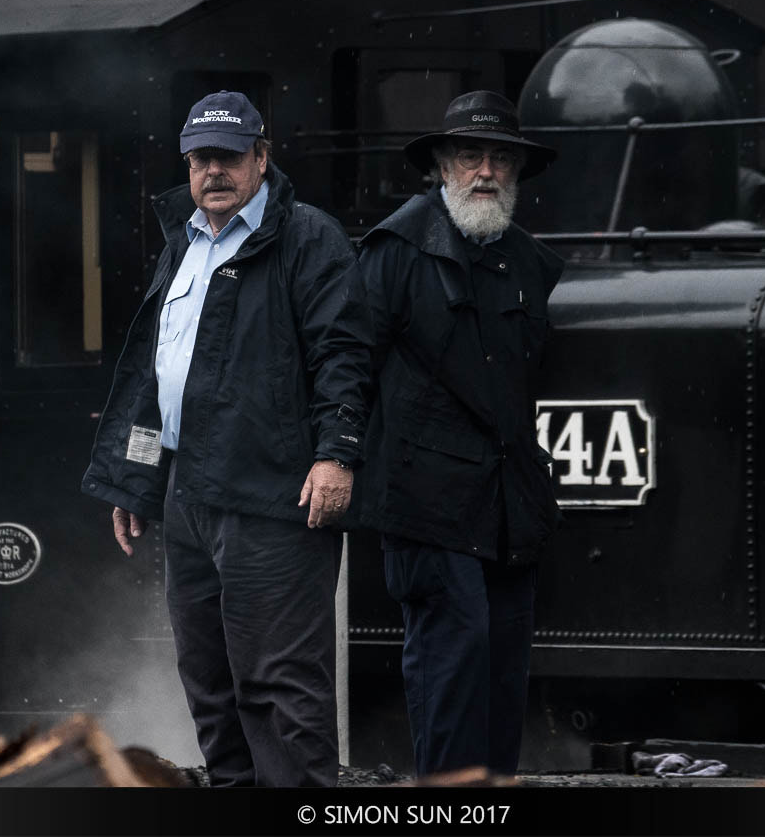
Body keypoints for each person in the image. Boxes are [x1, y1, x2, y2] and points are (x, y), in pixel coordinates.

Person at [82, 91, 368, 787]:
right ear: (187, 165)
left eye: (230, 157)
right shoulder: (182, 241)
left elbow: (345, 355)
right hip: (188, 495)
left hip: (274, 495)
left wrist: (336, 454)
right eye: (201, 159)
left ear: (261, 159)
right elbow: (157, 374)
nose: (215, 171)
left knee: (280, 687)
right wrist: (136, 478)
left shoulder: (308, 237)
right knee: (209, 683)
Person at [354, 90, 564, 777]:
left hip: (508, 501)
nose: (485, 171)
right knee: (455, 654)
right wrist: (335, 457)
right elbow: (346, 363)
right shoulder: (393, 251)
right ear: (442, 166)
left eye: (500, 158)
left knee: (504, 667)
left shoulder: (532, 263)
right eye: (471, 155)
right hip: (426, 495)